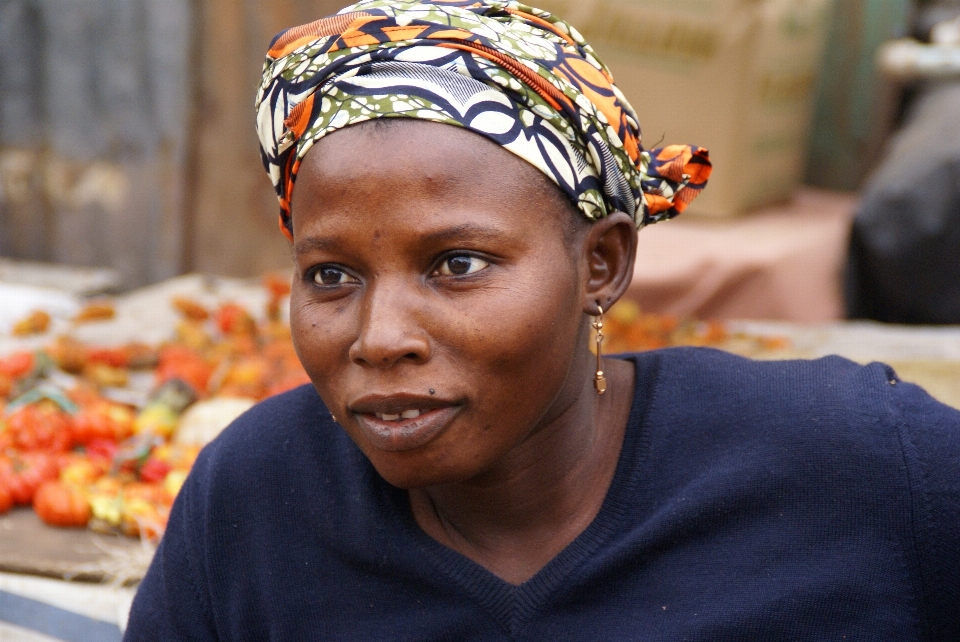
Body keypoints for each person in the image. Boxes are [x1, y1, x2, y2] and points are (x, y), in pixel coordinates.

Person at [124, 1, 960, 639]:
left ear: (602, 265)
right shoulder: (255, 504)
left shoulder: (861, 466)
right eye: (331, 275)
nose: (379, 337)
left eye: (457, 265)